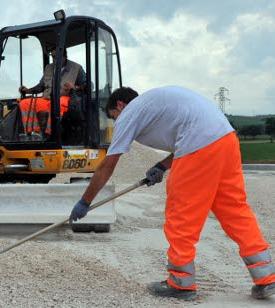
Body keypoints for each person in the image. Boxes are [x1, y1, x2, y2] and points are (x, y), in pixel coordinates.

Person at [69, 86, 275, 301]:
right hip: (225, 139)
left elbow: (107, 165)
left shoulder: (129, 113)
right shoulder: (154, 105)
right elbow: (188, 134)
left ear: (119, 105)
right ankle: (266, 277)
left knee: (182, 213)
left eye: (113, 116)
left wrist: (85, 202)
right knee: (234, 210)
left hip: (199, 146)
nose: (116, 121)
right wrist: (161, 165)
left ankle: (181, 282)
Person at [18, 49, 86, 140]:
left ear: (64, 57)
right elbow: (41, 86)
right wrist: (27, 91)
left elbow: (89, 85)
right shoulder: (48, 68)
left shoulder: (77, 68)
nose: (54, 60)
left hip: (66, 99)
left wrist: (75, 87)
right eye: (53, 57)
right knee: (25, 103)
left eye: (57, 57)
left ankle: (50, 134)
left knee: (56, 104)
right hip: (48, 98)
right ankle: (34, 133)